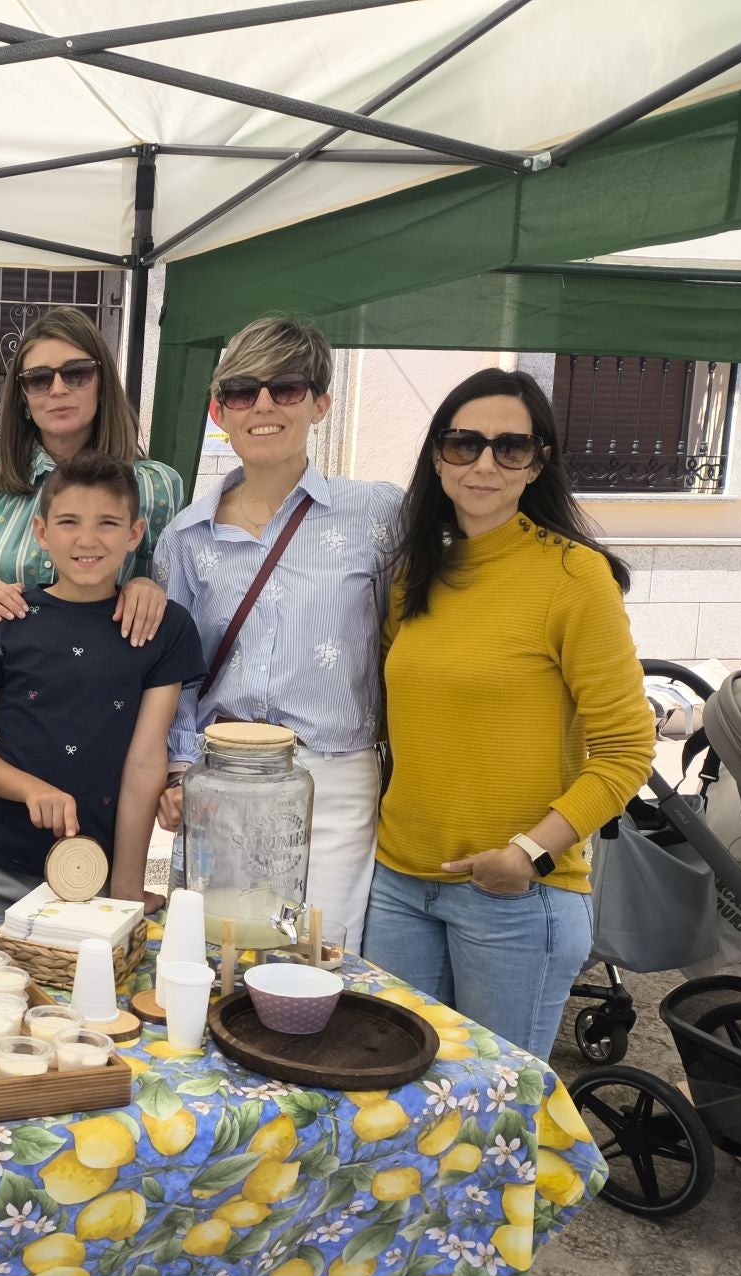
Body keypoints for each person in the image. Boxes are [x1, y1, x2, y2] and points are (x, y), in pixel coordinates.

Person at [365, 368, 653, 1061]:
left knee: (495, 1107)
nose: (485, 463)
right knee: (392, 1097)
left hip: (515, 898)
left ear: (537, 462)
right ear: (438, 458)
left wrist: (529, 853)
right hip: (399, 884)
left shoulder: (575, 578)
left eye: (510, 446)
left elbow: (626, 751)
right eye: (464, 444)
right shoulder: (413, 576)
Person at [153, 316, 401, 953]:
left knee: (317, 955)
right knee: (219, 954)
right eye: (242, 392)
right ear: (219, 412)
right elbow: (177, 676)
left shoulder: (377, 515)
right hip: (222, 775)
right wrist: (178, 771)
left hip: (331, 776)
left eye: (285, 388)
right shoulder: (186, 538)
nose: (262, 405)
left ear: (320, 404)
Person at [0, 452, 203, 919]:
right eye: (68, 522)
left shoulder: (162, 627)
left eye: (107, 523)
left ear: (134, 534)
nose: (87, 540)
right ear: (42, 532)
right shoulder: (4, 618)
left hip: (99, 872)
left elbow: (145, 761)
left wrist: (127, 888)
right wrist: (31, 790)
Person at [0, 307, 185, 659]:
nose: (57, 389)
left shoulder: (153, 486)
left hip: (107, 685)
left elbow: (173, 611)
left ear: (102, 386)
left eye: (76, 373)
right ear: (23, 397)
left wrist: (148, 588)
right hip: (3, 686)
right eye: (38, 379)